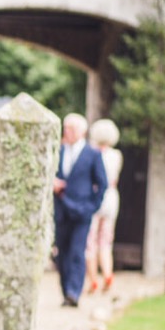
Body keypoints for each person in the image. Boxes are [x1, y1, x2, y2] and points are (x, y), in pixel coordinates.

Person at [53, 112, 109, 307]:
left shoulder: (92, 154)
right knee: (62, 253)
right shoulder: (58, 151)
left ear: (81, 131)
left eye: (70, 128)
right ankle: (66, 289)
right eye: (66, 128)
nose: (66, 132)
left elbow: (102, 184)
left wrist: (92, 206)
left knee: (77, 252)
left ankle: (74, 292)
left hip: (81, 211)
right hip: (61, 209)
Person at [85, 117, 124, 295]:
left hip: (96, 196)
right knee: (106, 240)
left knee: (91, 239)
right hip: (111, 197)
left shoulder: (93, 153)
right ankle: (107, 274)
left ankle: (93, 279)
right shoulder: (116, 155)